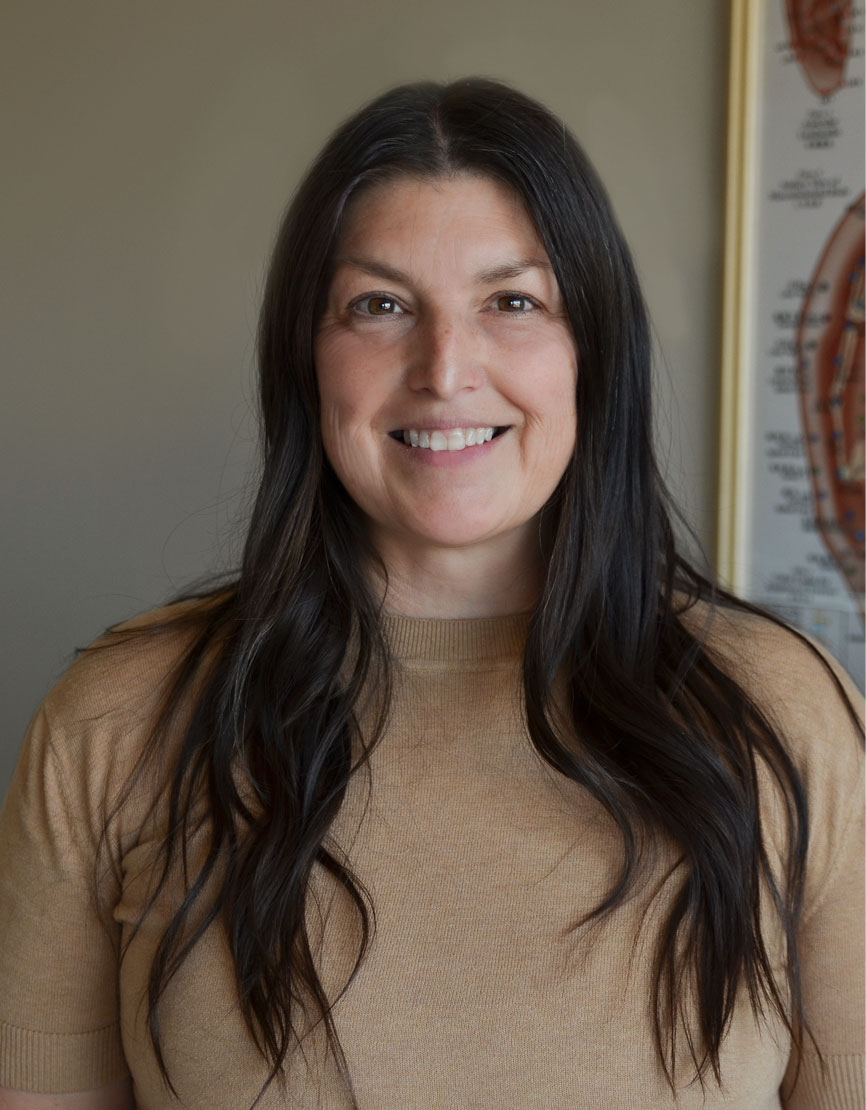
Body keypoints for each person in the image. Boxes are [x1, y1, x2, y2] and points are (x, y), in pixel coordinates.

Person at [0, 78, 862, 1110]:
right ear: (306, 358)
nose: (444, 369)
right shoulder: (117, 720)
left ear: (591, 352)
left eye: (512, 302)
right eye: (379, 306)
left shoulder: (781, 714)